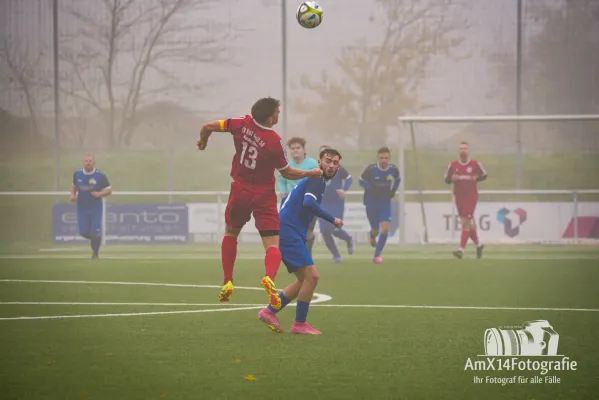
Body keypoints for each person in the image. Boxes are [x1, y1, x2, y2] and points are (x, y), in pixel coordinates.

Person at [197, 97, 322, 309]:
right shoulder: (274, 142)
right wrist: (310, 172)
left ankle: (228, 280)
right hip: (263, 194)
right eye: (278, 112)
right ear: (271, 116)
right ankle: (269, 278)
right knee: (272, 243)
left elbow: (207, 126)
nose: (279, 115)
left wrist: (204, 141)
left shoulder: (241, 123)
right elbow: (288, 172)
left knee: (231, 233)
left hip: (240, 190)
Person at [257, 148, 343, 335]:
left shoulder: (315, 180)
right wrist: (333, 219)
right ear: (319, 162)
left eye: (335, 163)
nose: (331, 165)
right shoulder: (317, 178)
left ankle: (269, 311)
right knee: (312, 277)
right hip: (289, 232)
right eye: (328, 161)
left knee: (303, 280)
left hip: (289, 231)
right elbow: (309, 203)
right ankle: (299, 324)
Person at [444, 141, 487, 259]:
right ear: (458, 151)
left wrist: (476, 177)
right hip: (459, 197)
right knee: (469, 224)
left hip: (471, 197)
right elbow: (446, 179)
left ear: (468, 151)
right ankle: (479, 245)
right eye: (461, 149)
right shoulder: (453, 165)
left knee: (464, 224)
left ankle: (461, 251)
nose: (463, 151)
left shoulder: (475, 164)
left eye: (465, 149)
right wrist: (451, 178)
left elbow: (484, 174)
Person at [277, 137, 319, 255]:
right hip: (290, 202)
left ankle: (307, 254)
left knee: (308, 231)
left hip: (308, 202)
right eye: (292, 148)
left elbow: (318, 179)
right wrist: (283, 191)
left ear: (303, 150)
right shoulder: (286, 165)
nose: (295, 150)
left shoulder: (312, 163)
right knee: (287, 230)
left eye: (298, 148)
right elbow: (281, 179)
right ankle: (291, 254)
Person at [358, 147, 400, 264]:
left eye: (386, 158)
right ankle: (372, 236)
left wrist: (393, 190)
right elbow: (361, 181)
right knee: (375, 230)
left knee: (385, 229)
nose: (383, 160)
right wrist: (370, 188)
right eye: (381, 158)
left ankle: (377, 255)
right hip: (371, 202)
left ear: (389, 158)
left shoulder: (393, 169)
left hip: (385, 202)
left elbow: (398, 179)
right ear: (378, 158)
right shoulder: (371, 169)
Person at [69, 154, 112, 259]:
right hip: (82, 208)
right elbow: (74, 186)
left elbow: (109, 190)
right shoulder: (77, 174)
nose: (88, 163)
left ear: (94, 163)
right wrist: (73, 195)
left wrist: (99, 194)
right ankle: (96, 239)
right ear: (83, 162)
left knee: (95, 232)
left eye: (90, 161)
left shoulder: (100, 176)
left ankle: (95, 253)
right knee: (83, 232)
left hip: (95, 208)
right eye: (86, 161)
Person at [318, 144, 354, 262]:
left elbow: (349, 178)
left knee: (334, 229)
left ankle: (348, 239)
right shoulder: (316, 170)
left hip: (336, 203)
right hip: (322, 203)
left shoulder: (338, 168)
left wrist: (344, 189)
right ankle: (336, 256)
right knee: (324, 231)